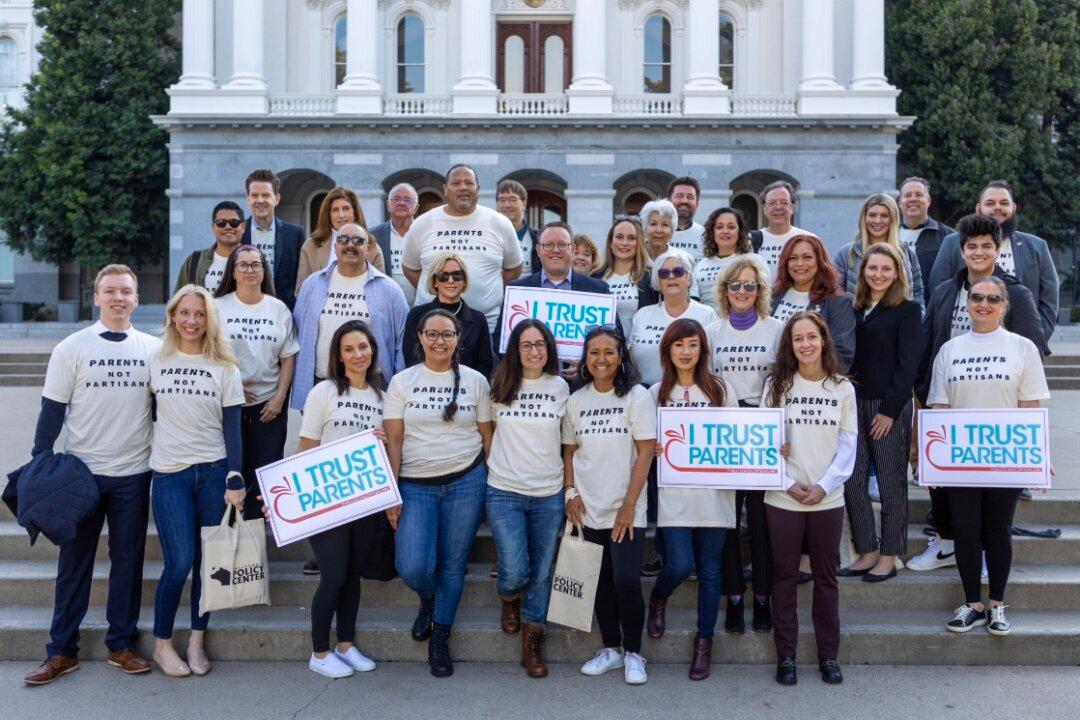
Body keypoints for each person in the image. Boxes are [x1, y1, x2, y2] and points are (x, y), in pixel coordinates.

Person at [23, 265, 161, 686]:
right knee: (74, 565)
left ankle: (121, 643)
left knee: (128, 564)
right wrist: (40, 463)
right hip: (81, 475)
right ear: (95, 297)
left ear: (136, 299)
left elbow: (163, 410)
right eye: (110, 291)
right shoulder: (71, 348)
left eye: (126, 291)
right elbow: (52, 412)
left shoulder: (154, 348)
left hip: (133, 474)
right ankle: (61, 651)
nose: (118, 297)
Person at [908, 214, 1047, 572]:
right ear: (962, 249)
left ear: (998, 250)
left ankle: (987, 552)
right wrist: (920, 403)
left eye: (987, 245)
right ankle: (945, 545)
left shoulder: (1015, 294)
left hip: (996, 412)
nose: (979, 252)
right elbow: (926, 349)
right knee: (943, 486)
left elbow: (1030, 355)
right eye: (972, 246)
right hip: (948, 401)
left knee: (993, 490)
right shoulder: (943, 291)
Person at [927, 276, 1049, 635]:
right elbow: (939, 406)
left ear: (1004, 305)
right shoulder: (950, 349)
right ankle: (971, 604)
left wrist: (1037, 459)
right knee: (965, 531)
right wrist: (934, 461)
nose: (984, 304)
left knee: (997, 530)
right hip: (961, 459)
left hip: (1004, 458)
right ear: (967, 302)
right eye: (977, 297)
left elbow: (1030, 408)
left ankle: (996, 604)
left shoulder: (1023, 347)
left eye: (992, 299)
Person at [383, 309, 494, 678]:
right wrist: (392, 492)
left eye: (447, 334)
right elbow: (394, 439)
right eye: (432, 334)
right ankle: (428, 598)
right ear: (420, 337)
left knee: (452, 564)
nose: (439, 341)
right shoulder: (402, 381)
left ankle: (440, 637)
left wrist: (492, 485)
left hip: (466, 481)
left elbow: (487, 437)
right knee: (413, 566)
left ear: (458, 338)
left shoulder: (477, 382)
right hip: (415, 486)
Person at [149, 285, 245, 678]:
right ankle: (162, 644)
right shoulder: (155, 359)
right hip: (169, 475)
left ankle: (196, 640)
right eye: (185, 313)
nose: (191, 320)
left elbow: (234, 431)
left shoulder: (225, 367)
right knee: (179, 563)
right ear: (173, 316)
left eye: (199, 314)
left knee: (208, 564)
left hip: (213, 474)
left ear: (209, 320)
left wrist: (235, 480)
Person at [763, 311, 856, 686]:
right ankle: (786, 656)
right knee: (783, 575)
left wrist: (823, 484)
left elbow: (848, 446)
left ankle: (828, 655)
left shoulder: (842, 388)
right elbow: (764, 444)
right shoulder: (777, 386)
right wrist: (787, 482)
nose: (805, 344)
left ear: (823, 341)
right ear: (790, 345)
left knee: (826, 577)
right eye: (798, 338)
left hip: (827, 497)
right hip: (782, 495)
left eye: (811, 337)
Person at [291, 320, 388, 678]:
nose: (357, 354)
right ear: (338, 355)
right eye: (349, 349)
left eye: (362, 346)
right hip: (327, 501)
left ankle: (345, 644)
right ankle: (319, 652)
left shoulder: (382, 396)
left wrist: (383, 439)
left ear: (372, 350)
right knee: (332, 575)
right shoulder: (325, 392)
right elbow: (306, 447)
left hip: (365, 501)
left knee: (351, 576)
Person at [644, 319, 738, 680]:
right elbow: (642, 440)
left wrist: (769, 448)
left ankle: (704, 643)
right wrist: (651, 446)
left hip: (714, 495)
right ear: (667, 350)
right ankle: (658, 596)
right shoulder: (655, 393)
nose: (686, 351)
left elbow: (738, 439)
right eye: (678, 344)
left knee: (711, 569)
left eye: (693, 345)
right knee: (680, 564)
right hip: (675, 495)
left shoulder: (720, 389)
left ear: (702, 350)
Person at [563, 325, 656, 685]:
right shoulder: (576, 400)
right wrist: (570, 492)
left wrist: (629, 505)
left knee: (626, 579)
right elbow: (569, 452)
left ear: (621, 358)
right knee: (599, 581)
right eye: (594, 353)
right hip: (587, 506)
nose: (601, 359)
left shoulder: (636, 396)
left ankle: (634, 652)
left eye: (609, 352)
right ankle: (612, 649)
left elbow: (646, 451)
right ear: (585, 359)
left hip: (624, 507)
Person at [486, 320, 569, 677]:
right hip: (504, 491)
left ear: (549, 349)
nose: (534, 351)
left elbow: (569, 444)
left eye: (540, 344)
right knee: (516, 571)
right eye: (525, 344)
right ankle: (508, 597)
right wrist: (496, 461)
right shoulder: (500, 385)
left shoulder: (561, 387)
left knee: (541, 572)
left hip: (548, 494)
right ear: (515, 350)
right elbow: (485, 431)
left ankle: (531, 644)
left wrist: (569, 489)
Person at [704, 259, 783, 633]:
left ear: (760, 291)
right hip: (724, 432)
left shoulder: (777, 329)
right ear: (724, 289)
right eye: (735, 285)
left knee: (763, 521)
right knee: (728, 521)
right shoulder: (711, 331)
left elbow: (785, 382)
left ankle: (763, 598)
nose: (742, 292)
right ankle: (734, 597)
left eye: (750, 286)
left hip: (763, 431)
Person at [839, 244, 920, 581]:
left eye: (886, 269)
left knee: (889, 483)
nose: (879, 274)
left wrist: (889, 411)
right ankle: (867, 549)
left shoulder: (907, 310)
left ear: (897, 272)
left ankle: (889, 554)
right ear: (863, 271)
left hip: (888, 407)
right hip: (852, 404)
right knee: (853, 480)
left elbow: (908, 366)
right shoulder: (854, 309)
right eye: (873, 268)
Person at [213, 245, 299, 520]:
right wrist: (233, 385)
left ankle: (254, 540)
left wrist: (279, 398)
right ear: (233, 272)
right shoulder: (217, 306)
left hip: (269, 405)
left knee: (265, 472)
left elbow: (288, 357)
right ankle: (228, 531)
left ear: (264, 271)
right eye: (243, 265)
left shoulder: (279, 309)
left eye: (256, 265)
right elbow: (209, 353)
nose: (250, 270)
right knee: (233, 468)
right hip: (229, 403)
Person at [292, 222, 408, 413]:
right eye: (343, 240)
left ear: (368, 248)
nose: (350, 245)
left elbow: (401, 343)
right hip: (321, 382)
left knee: (370, 443)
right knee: (321, 441)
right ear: (335, 247)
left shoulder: (389, 289)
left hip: (373, 385)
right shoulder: (312, 284)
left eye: (357, 240)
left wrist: (397, 390)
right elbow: (298, 332)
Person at [928, 179, 1059, 343]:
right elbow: (938, 288)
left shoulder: (1036, 246)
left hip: (1016, 347)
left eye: (1004, 202)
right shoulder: (952, 242)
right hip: (958, 341)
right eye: (990, 203)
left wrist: (1036, 339)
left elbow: (1049, 299)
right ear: (978, 208)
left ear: (1013, 208)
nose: (997, 207)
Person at [403, 165, 524, 331]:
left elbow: (513, 269)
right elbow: (411, 269)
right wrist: (437, 288)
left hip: (485, 327)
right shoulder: (422, 223)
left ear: (478, 189)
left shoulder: (500, 223)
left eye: (469, 183)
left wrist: (487, 291)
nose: (463, 188)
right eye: (456, 183)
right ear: (445, 189)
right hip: (431, 326)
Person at [495, 221, 612, 365]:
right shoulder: (518, 290)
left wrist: (586, 365)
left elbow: (614, 340)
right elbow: (500, 341)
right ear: (538, 250)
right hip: (531, 382)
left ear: (572, 248)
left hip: (583, 382)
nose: (556, 250)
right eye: (548, 245)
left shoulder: (599, 290)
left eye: (562, 244)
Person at [629, 248, 719, 387]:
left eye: (678, 272)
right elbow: (631, 361)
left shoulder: (707, 315)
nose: (671, 277)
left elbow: (713, 362)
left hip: (690, 398)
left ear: (689, 278)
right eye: (664, 273)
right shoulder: (642, 315)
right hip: (645, 397)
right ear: (657, 281)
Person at [771, 234, 856, 372]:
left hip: (814, 385)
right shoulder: (771, 298)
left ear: (820, 261)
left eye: (807, 257)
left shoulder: (838, 302)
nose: (799, 264)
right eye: (793, 258)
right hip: (772, 383)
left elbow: (842, 354)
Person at [403, 252, 494, 377]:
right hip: (425, 389)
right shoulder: (417, 315)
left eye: (457, 275)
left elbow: (485, 365)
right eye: (443, 276)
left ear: (464, 281)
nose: (450, 280)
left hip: (468, 390)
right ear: (434, 281)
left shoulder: (478, 319)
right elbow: (411, 359)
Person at [833, 193, 925, 313]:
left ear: (893, 218)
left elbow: (917, 292)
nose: (877, 221)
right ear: (864, 218)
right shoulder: (846, 254)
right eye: (872, 215)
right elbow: (835, 292)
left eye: (884, 216)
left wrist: (918, 318)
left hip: (898, 326)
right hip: (858, 326)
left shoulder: (906, 253)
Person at [239, 169, 305, 310]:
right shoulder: (238, 233)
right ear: (248, 199)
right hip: (243, 310)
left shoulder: (295, 234)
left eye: (266, 195)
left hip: (283, 312)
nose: (260, 200)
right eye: (255, 195)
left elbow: (300, 281)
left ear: (277, 199)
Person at [296, 188, 378, 293]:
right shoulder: (310, 246)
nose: (341, 215)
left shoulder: (373, 246)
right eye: (335, 210)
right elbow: (301, 290)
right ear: (328, 215)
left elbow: (379, 290)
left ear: (355, 213)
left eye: (346, 208)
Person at [692, 207, 770, 313]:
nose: (725, 231)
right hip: (708, 326)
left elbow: (766, 299)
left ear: (740, 231)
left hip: (744, 324)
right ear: (712, 232)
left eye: (731, 227)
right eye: (719, 227)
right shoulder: (701, 265)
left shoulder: (755, 260)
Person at [593, 217, 658, 330]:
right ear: (610, 242)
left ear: (639, 243)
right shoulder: (595, 277)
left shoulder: (651, 277)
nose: (624, 243)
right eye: (619, 237)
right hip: (604, 346)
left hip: (637, 346)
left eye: (631, 238)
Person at [897, 177, 953, 304]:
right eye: (907, 195)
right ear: (900, 202)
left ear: (928, 201)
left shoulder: (949, 237)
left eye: (919, 194)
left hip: (931, 311)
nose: (913, 199)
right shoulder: (888, 235)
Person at [174, 201, 246, 296]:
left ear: (243, 227)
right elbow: (178, 301)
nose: (228, 227)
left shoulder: (256, 261)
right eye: (221, 223)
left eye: (234, 223)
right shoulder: (194, 262)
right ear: (213, 227)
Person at [369, 182, 420, 305]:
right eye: (396, 199)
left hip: (421, 306)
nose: (401, 203)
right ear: (388, 205)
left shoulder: (425, 233)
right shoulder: (372, 236)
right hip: (384, 306)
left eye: (407, 200)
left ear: (416, 207)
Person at [750, 180, 809, 275]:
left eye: (784, 202)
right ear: (764, 208)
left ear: (792, 207)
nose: (778, 207)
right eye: (772, 203)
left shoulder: (809, 239)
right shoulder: (749, 241)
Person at [497, 179, 540, 275]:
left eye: (513, 200)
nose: (507, 205)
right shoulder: (487, 235)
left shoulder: (539, 237)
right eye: (502, 200)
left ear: (524, 205)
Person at [667, 176, 704, 264]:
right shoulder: (655, 233)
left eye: (690, 197)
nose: (684, 201)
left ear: (697, 204)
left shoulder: (706, 235)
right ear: (668, 201)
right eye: (679, 196)